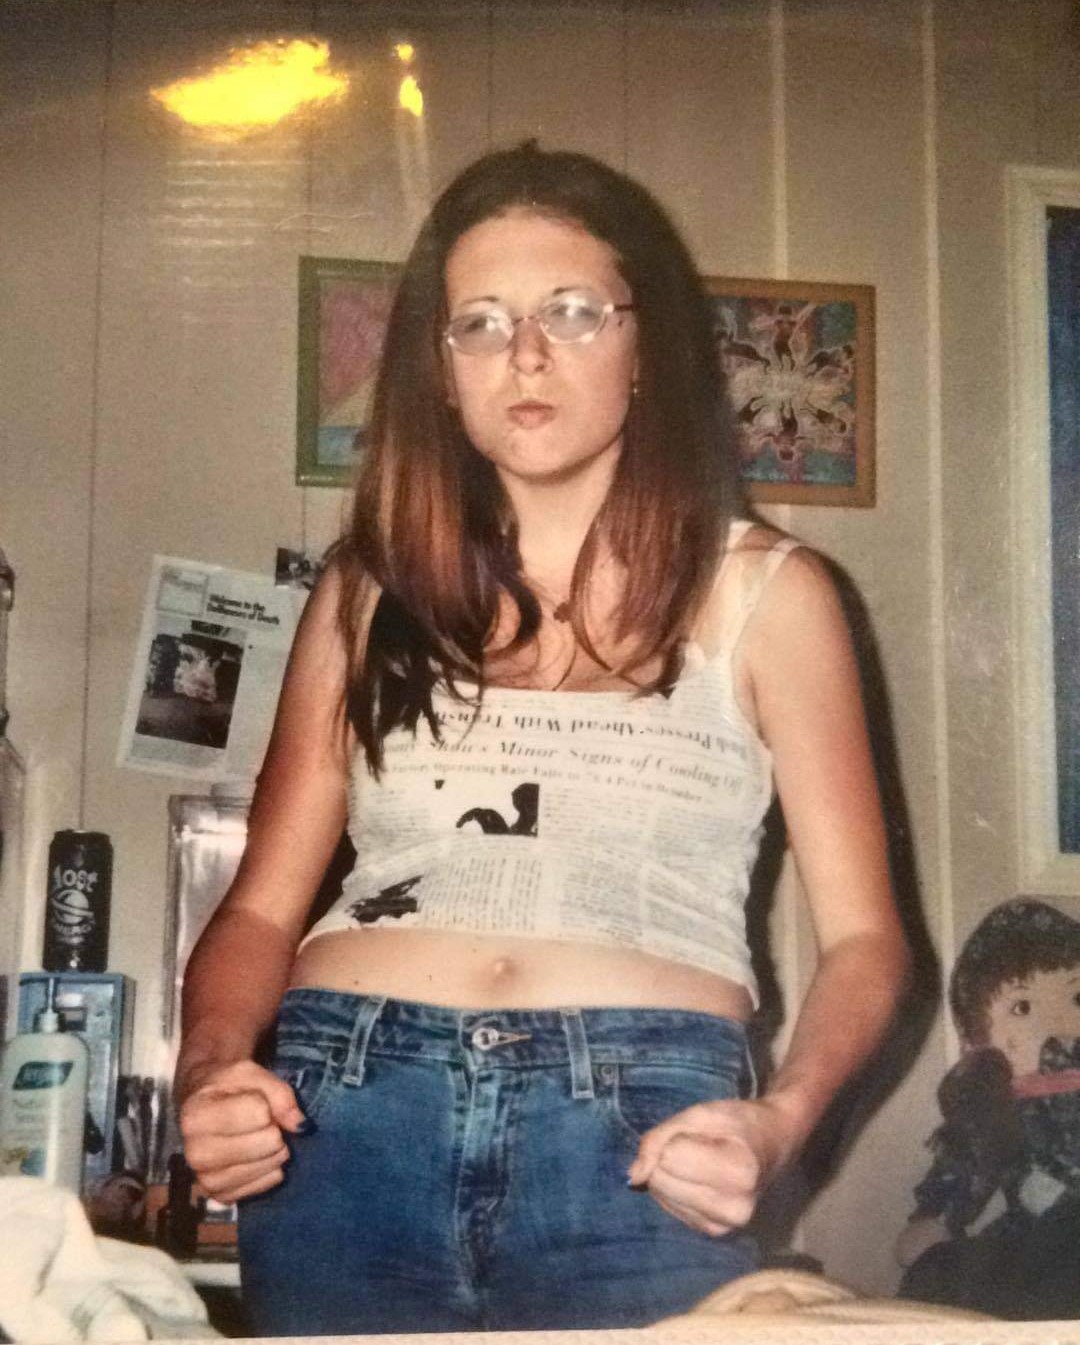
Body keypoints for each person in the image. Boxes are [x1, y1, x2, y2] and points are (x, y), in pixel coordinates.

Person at [175, 143, 908, 1335]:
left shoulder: (777, 597)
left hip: (642, 1133)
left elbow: (869, 941)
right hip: (346, 1117)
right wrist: (210, 1071)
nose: (526, 354)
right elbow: (260, 908)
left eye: (571, 312)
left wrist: (781, 1121)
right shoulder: (365, 592)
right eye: (481, 322)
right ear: (443, 372)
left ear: (644, 348)